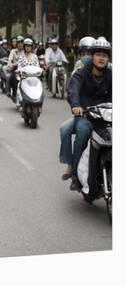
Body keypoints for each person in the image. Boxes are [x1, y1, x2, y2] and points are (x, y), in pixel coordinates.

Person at [64, 37, 112, 191]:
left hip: (107, 117)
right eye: (98, 54)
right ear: (92, 56)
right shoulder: (82, 73)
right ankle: (76, 178)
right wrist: (76, 105)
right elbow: (73, 89)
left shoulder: (112, 75)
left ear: (108, 59)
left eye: (104, 55)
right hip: (86, 116)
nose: (101, 58)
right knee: (83, 131)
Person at [7, 35, 25, 100]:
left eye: (22, 42)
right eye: (19, 43)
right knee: (11, 77)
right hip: (15, 69)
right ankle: (11, 92)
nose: (20, 44)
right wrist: (10, 64)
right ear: (16, 44)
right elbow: (10, 60)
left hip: (25, 70)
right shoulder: (13, 51)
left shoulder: (26, 51)